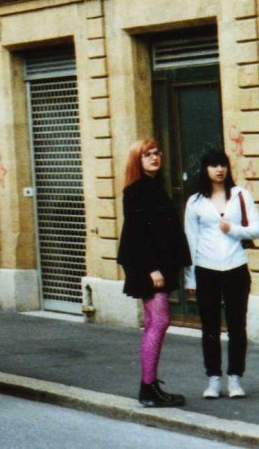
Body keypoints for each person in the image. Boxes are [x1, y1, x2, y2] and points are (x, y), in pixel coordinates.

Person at [116, 138, 191, 408]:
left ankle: (149, 386)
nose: (154, 157)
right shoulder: (136, 190)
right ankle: (148, 388)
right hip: (148, 267)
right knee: (158, 322)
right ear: (138, 160)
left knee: (154, 322)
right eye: (148, 154)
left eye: (157, 153)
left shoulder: (153, 186)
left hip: (156, 264)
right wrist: (152, 269)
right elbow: (138, 235)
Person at [183, 148, 258, 399]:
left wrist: (234, 230)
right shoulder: (195, 202)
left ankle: (235, 379)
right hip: (206, 270)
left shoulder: (240, 195)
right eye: (214, 165)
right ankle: (214, 379)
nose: (219, 169)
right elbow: (190, 242)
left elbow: (256, 228)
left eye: (223, 165)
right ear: (205, 169)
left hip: (236, 267)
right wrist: (190, 279)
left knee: (237, 326)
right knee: (210, 327)